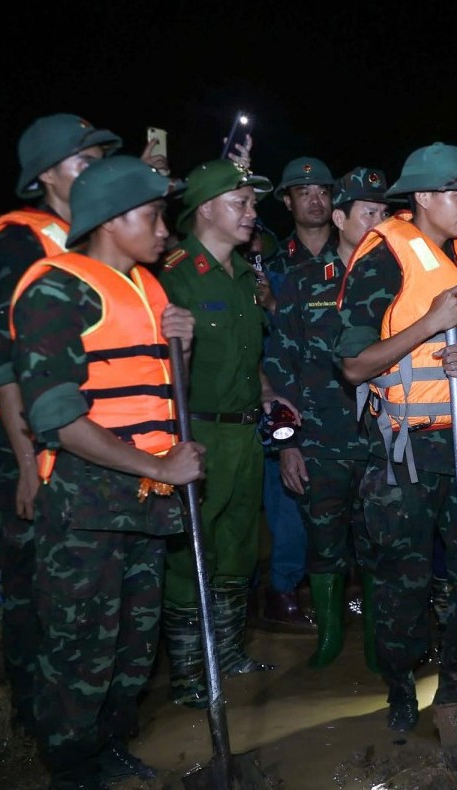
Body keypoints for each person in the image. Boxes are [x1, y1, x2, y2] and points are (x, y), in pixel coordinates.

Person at [9, 155, 205, 788]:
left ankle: (111, 741)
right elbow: (59, 418)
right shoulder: (56, 288)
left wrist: (186, 345)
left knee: (131, 645)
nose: (165, 231)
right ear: (113, 220)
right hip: (86, 507)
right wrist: (162, 465)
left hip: (144, 499)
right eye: (152, 216)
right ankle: (69, 767)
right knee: (78, 651)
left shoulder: (150, 288)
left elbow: (148, 388)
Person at [334, 142, 457, 732]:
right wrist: (429, 326)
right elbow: (354, 366)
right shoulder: (382, 258)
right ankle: (400, 688)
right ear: (423, 198)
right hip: (404, 447)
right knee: (400, 577)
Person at [0, 113, 121, 737]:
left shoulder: (89, 235)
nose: (94, 171)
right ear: (47, 175)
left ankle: (97, 724)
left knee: (94, 590)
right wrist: (28, 464)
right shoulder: (13, 243)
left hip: (89, 438)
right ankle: (40, 725)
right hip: (29, 442)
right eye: (84, 161)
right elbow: (2, 360)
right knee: (37, 584)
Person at [158, 159, 288, 706]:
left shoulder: (242, 276)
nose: (251, 213)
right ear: (206, 208)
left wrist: (264, 391)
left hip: (243, 435)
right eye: (241, 203)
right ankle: (190, 676)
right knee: (193, 552)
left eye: (252, 204)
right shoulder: (174, 275)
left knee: (237, 548)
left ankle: (227, 654)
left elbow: (244, 351)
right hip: (198, 433)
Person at [263, 166, 390, 669]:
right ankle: (330, 638)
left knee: (379, 543)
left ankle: (381, 645)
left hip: (384, 437)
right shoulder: (301, 282)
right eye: (369, 212)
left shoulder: (394, 280)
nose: (379, 221)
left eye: (385, 212)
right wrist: (287, 443)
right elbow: (278, 369)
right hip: (320, 439)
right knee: (324, 543)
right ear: (341, 218)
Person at [259, 156, 337, 630]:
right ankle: (282, 590)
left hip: (344, 397)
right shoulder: (270, 265)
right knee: (289, 496)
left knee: (345, 501)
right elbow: (264, 345)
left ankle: (338, 588)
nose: (315, 199)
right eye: (303, 192)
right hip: (290, 396)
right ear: (286, 201)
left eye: (323, 191)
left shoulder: (354, 256)